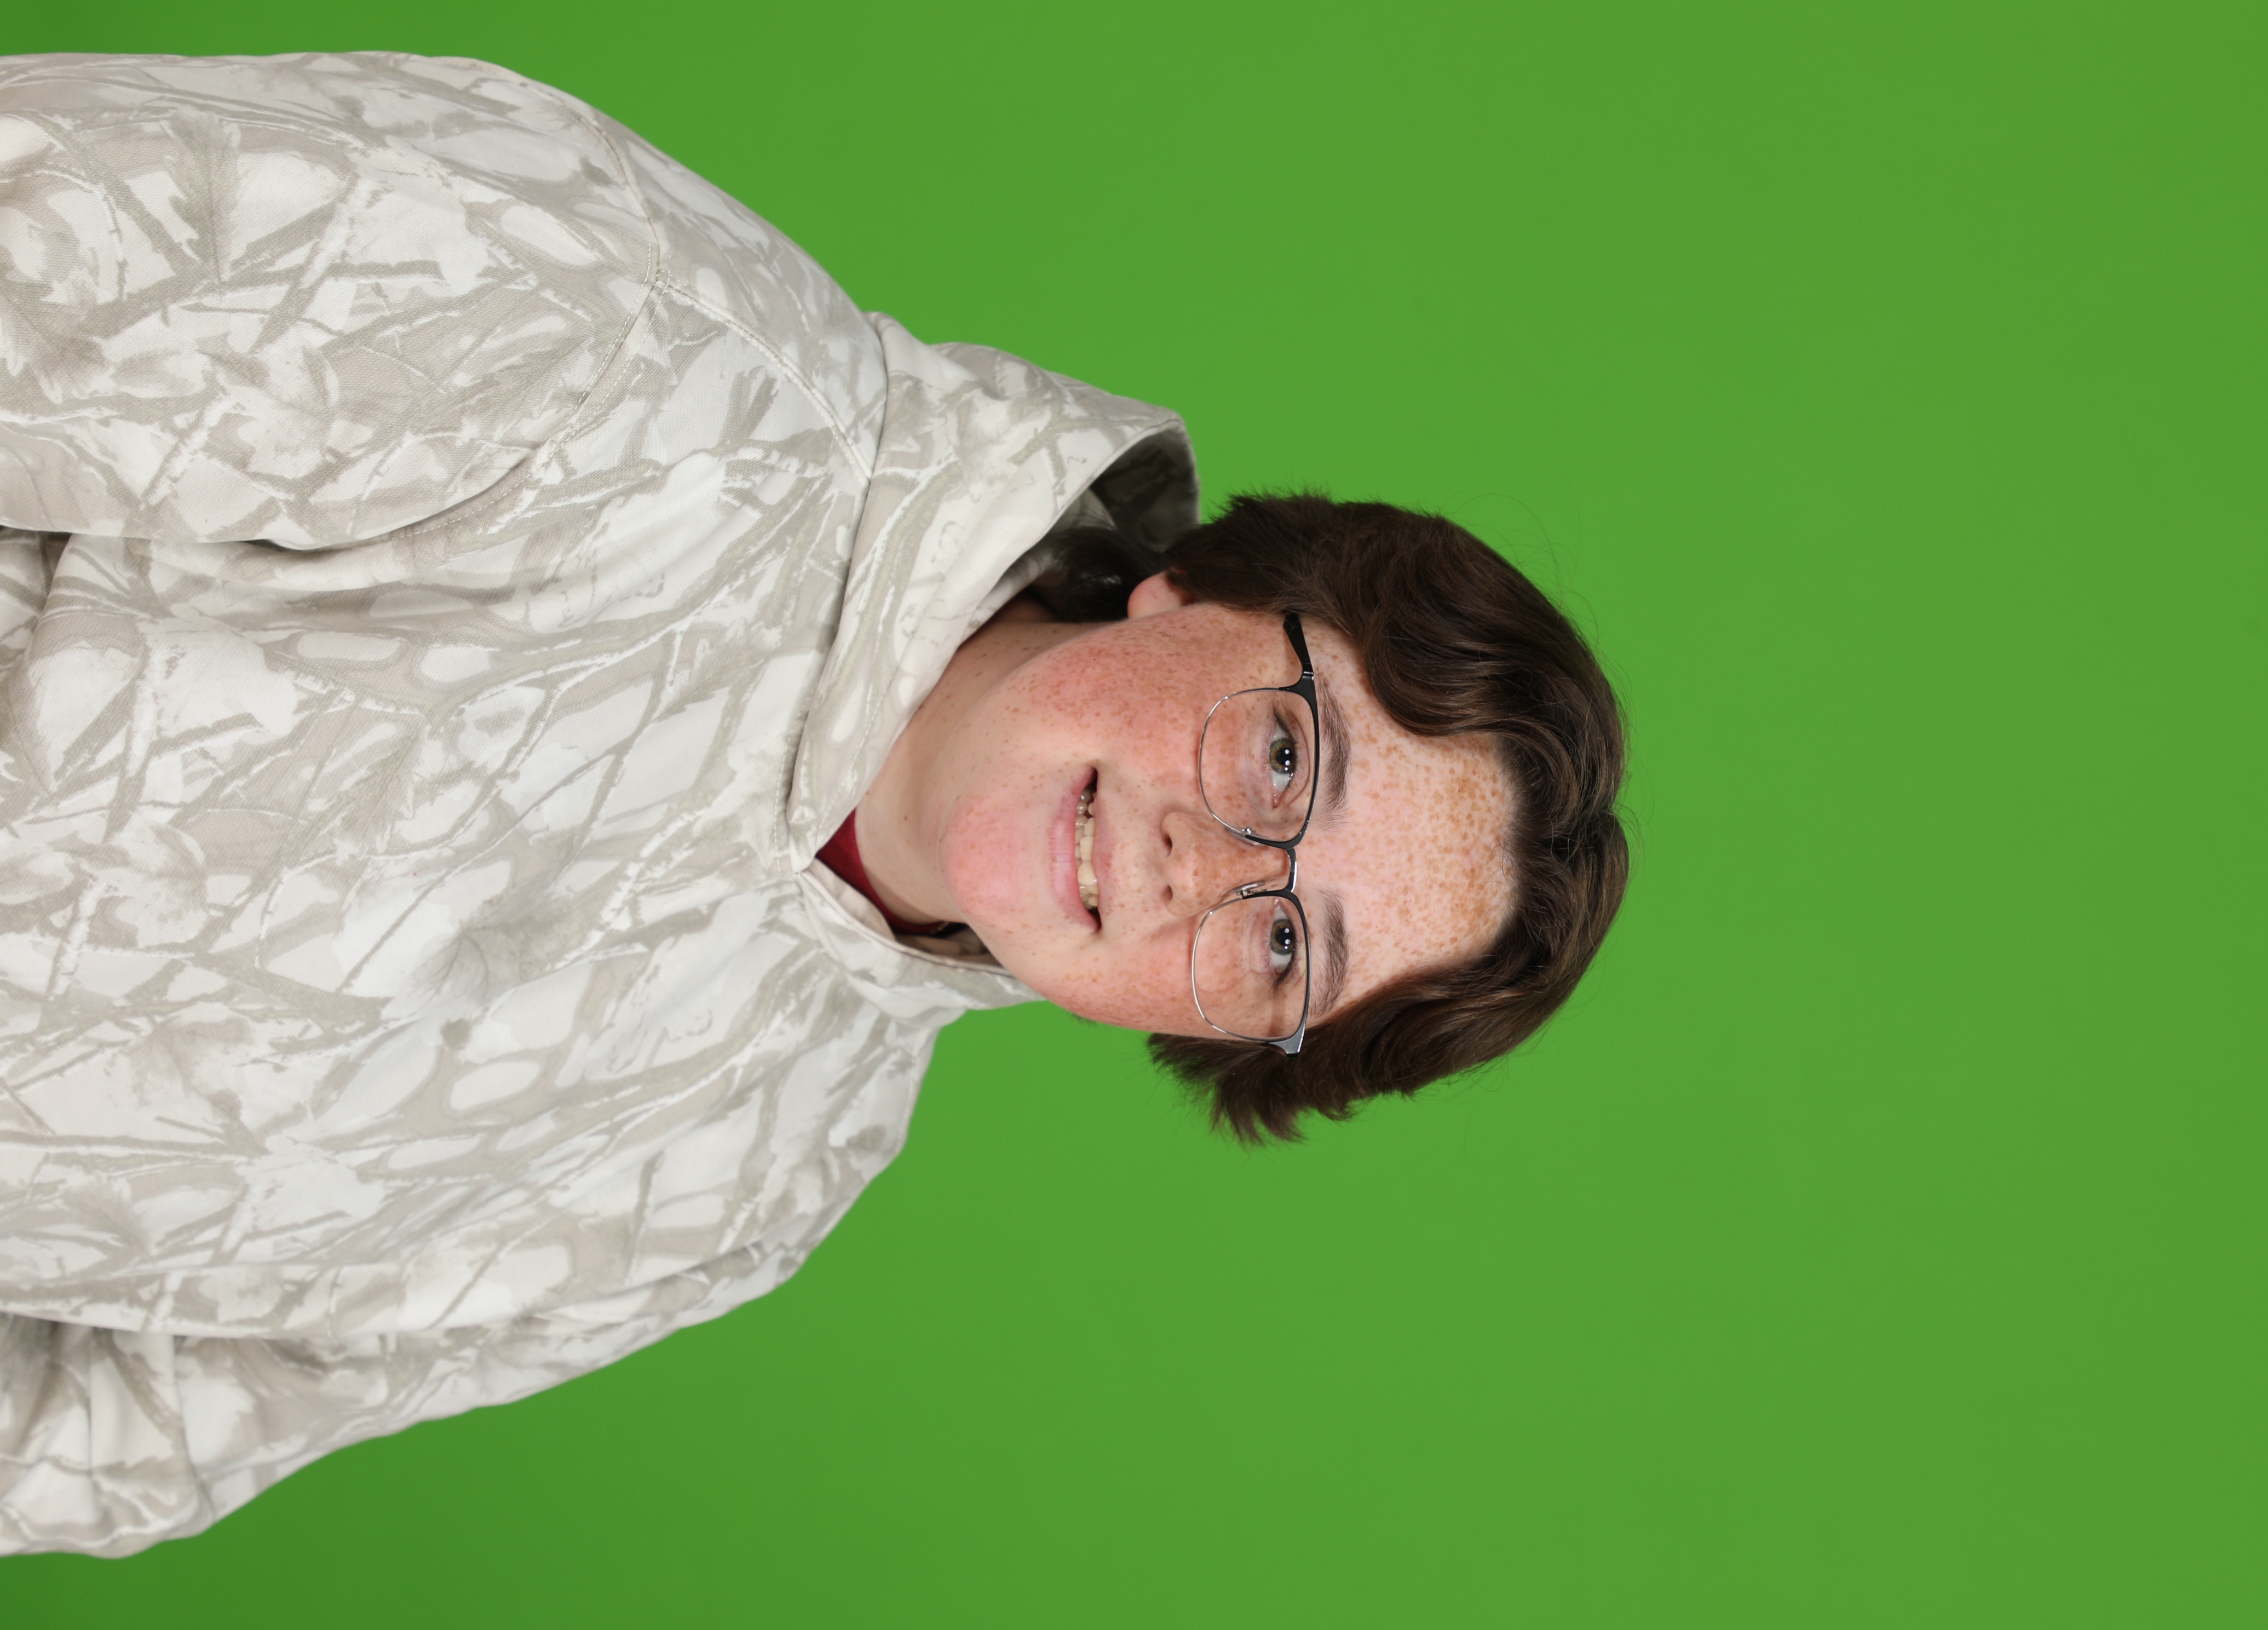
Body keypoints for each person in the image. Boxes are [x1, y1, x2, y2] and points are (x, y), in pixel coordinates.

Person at [0, 51, 1626, 1554]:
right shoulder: (630, 345)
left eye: (1285, 950)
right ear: (1201, 593)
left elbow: (118, 1434)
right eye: (1285, 761)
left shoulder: (754, 1186)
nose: (1201, 869)